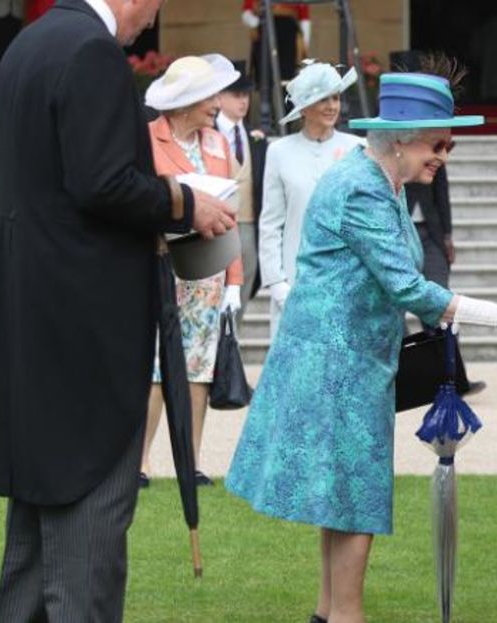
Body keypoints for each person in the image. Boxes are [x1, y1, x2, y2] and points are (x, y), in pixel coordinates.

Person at [225, 67, 497, 623]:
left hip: (351, 361)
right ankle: (347, 617)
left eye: (450, 143)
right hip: (335, 365)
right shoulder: (361, 189)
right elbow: (407, 287)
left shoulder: (382, 182)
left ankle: (330, 614)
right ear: (399, 139)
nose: (445, 154)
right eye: (437, 143)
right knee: (356, 503)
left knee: (346, 503)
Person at [0, 0, 236, 619]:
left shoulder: (28, 46)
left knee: (32, 554)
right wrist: (184, 204)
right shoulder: (92, 51)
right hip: (84, 327)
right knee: (86, 550)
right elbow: (103, 182)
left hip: (33, 315)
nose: (154, 17)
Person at [138, 54, 246, 488]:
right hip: (160, 264)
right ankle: (140, 463)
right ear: (185, 102)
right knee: (155, 367)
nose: (216, 104)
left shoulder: (218, 144)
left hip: (207, 271)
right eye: (209, 97)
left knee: (199, 367)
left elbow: (230, 213)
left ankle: (191, 462)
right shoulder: (146, 140)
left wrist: (234, 278)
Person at [259, 61, 363, 338]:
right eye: (322, 99)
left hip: (348, 280)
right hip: (295, 281)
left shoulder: (357, 148)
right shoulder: (279, 151)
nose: (332, 106)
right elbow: (270, 224)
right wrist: (278, 284)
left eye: (336, 98)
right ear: (303, 109)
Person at [216, 60, 268, 319]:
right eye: (236, 95)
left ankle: (232, 343)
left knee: (246, 283)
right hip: (215, 224)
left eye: (246, 95)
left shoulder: (256, 138)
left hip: (248, 223)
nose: (243, 101)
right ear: (220, 97)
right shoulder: (208, 133)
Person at [242, 0, 310, 84]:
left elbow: (304, 17)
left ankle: (286, 94)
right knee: (264, 72)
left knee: (287, 74)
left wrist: (305, 43)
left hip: (288, 30)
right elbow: (246, 13)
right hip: (265, 27)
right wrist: (256, 23)